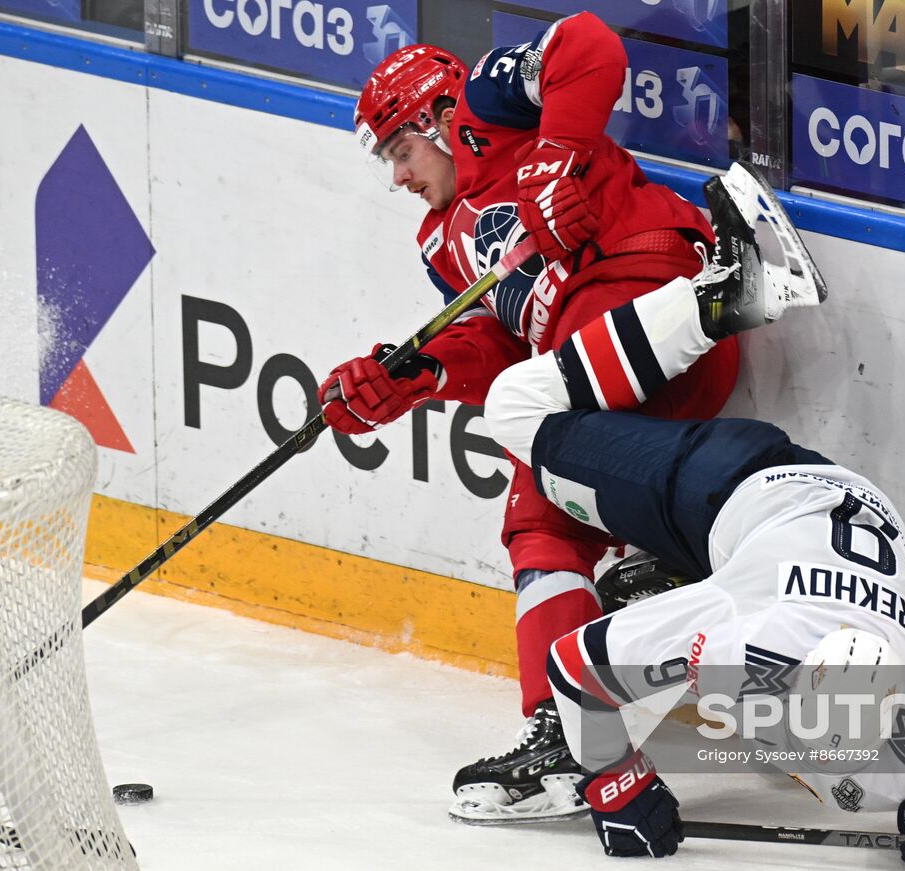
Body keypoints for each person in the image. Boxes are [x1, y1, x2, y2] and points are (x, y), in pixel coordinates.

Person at [482, 168, 905, 867]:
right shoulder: (748, 641)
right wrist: (614, 781)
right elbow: (578, 664)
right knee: (515, 408)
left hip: (831, 518)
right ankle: (716, 295)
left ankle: (669, 586)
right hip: (735, 486)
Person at [319, 13, 745, 824]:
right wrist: (418, 373)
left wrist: (558, 152)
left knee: (542, 463)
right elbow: (502, 345)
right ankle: (642, 595)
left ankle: (588, 690)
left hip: (650, 286)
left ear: (434, 119)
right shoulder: (442, 246)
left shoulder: (483, 102)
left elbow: (587, 44)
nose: (401, 177)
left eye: (400, 153)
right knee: (539, 491)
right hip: (603, 362)